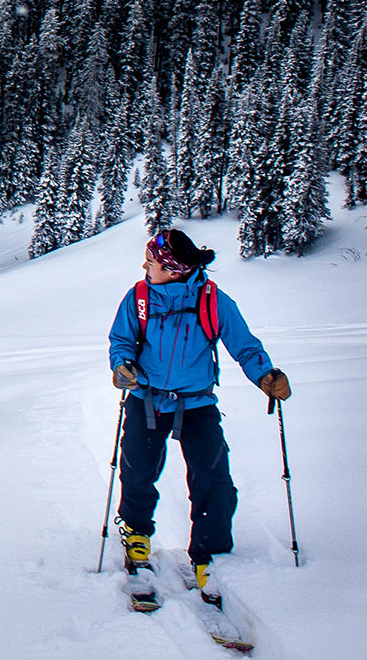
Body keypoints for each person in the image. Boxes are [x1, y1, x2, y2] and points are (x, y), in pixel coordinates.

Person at [107, 228, 289, 604]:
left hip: (197, 402)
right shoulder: (138, 297)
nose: (145, 266)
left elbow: (244, 345)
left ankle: (210, 555)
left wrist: (266, 376)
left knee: (213, 478)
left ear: (174, 270)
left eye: (152, 262)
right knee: (138, 469)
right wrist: (122, 366)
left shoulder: (213, 301)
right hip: (147, 397)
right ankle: (137, 537)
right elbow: (121, 341)